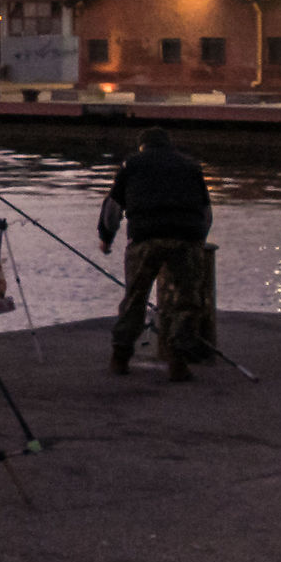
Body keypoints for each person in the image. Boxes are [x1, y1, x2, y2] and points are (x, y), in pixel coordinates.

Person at [97, 126, 213, 380]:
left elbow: (112, 208)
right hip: (185, 239)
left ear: (142, 146)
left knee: (135, 298)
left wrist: (106, 239)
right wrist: (198, 240)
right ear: (169, 144)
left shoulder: (132, 165)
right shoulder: (190, 166)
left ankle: (120, 357)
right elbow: (206, 211)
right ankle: (178, 362)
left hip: (145, 238)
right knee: (185, 301)